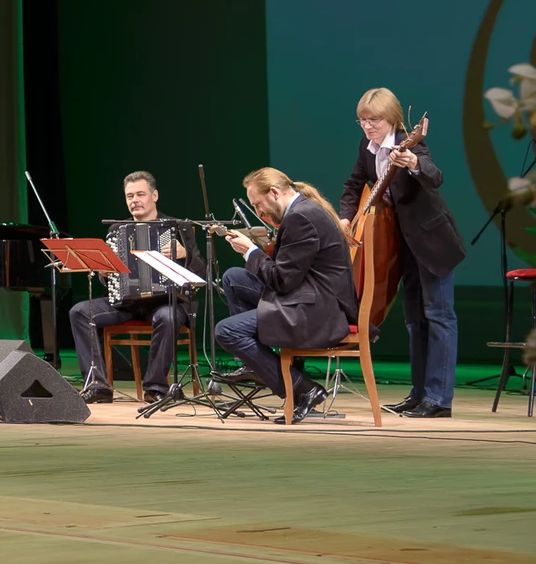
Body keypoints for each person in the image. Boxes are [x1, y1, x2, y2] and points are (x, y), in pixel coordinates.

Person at [337, 87, 465, 418]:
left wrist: (414, 164)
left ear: (392, 118)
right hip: (401, 245)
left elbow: (435, 177)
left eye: (374, 121)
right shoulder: (367, 148)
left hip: (433, 242)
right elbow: (353, 184)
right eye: (362, 121)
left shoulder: (412, 143)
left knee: (439, 316)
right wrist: (346, 217)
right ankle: (419, 394)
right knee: (414, 320)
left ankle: (439, 400)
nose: (368, 127)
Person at [215, 168, 358, 424]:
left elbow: (282, 281)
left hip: (319, 311)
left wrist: (251, 252)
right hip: (308, 296)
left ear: (274, 192)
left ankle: (303, 389)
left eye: (258, 204)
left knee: (227, 331)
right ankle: (255, 364)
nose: (258, 212)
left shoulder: (300, 217)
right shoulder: (304, 210)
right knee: (234, 278)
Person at [70, 171, 200, 404]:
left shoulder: (179, 228)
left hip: (165, 301)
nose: (134, 200)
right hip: (127, 303)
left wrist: (184, 254)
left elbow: (201, 271)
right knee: (80, 312)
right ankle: (98, 385)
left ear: (154, 195)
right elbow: (108, 280)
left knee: (168, 317)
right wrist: (104, 273)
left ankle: (155, 388)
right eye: (130, 196)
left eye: (140, 194)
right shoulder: (116, 230)